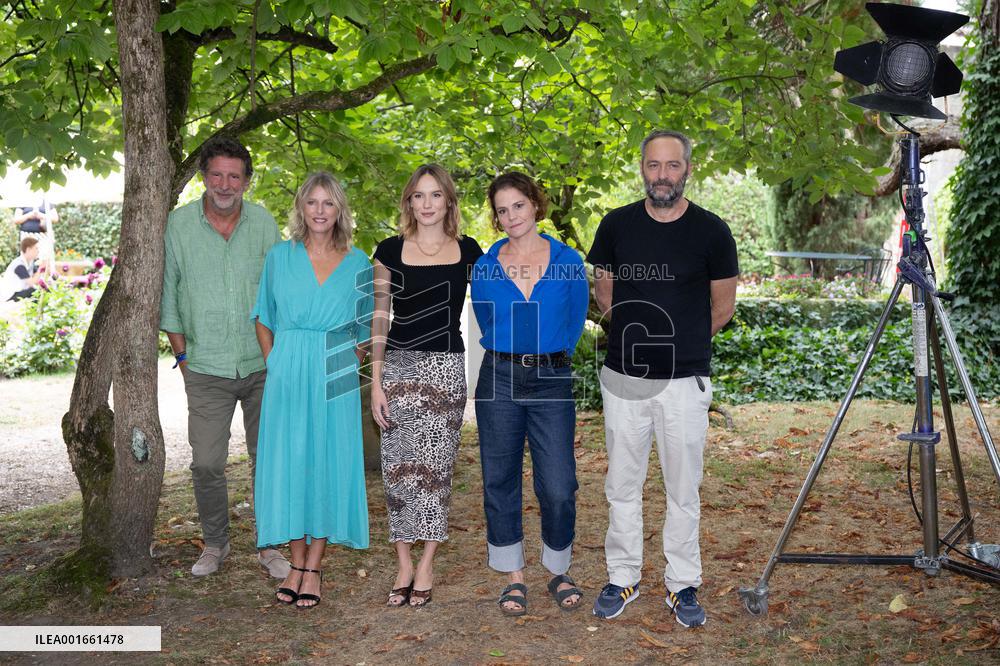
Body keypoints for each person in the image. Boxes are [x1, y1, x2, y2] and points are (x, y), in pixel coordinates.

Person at [586, 130, 738, 628]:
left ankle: (682, 585)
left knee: (682, 490)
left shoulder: (713, 232)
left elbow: (723, 308)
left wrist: (679, 345)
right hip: (624, 378)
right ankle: (623, 575)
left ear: (687, 169)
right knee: (622, 485)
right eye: (654, 165)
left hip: (684, 381)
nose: (663, 175)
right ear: (642, 168)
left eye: (672, 166)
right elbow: (605, 294)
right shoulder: (615, 225)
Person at [159, 136, 289, 579]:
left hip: (261, 364)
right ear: (203, 176)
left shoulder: (263, 223)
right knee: (207, 462)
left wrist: (280, 354)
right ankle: (215, 543)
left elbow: (281, 290)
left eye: (235, 175)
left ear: (247, 181)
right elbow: (169, 295)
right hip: (206, 367)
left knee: (267, 459)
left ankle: (270, 545)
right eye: (217, 174)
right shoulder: (178, 225)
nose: (225, 183)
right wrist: (182, 357)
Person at [252, 171, 374, 609]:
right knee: (291, 461)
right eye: (312, 202)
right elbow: (263, 316)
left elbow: (366, 325)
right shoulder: (279, 258)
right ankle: (296, 561)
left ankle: (314, 567)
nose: (320, 211)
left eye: (329, 203)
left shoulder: (358, 262)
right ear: (301, 208)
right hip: (287, 373)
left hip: (335, 375)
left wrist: (348, 360)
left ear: (339, 209)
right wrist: (276, 362)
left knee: (328, 462)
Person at [471, 172, 589, 616]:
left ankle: (558, 568)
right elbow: (488, 322)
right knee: (499, 478)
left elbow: (575, 318)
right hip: (498, 378)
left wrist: (546, 356)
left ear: (535, 205)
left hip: (551, 379)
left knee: (559, 484)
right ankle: (513, 575)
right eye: (502, 210)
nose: (510, 216)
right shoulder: (484, 267)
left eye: (517, 205)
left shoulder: (567, 261)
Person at [370, 164, 482, 608]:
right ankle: (402, 562)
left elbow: (498, 301)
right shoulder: (389, 251)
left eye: (436, 195)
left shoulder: (470, 251)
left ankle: (428, 561)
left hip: (446, 368)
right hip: (397, 367)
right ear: (409, 202)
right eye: (419, 196)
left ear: (448, 201)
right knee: (397, 469)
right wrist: (376, 381)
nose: (427, 204)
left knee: (435, 472)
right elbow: (380, 317)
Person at [12, 197, 58, 274]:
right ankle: (27, 280)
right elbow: (16, 220)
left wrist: (41, 215)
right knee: (27, 259)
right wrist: (29, 215)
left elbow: (55, 218)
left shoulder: (46, 202)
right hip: (27, 235)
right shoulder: (23, 202)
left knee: (44, 258)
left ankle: (42, 280)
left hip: (44, 236)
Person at [1, 237, 42, 302]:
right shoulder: (19, 265)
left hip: (21, 292)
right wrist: (41, 268)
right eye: (36, 248)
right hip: (10, 295)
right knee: (35, 292)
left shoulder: (30, 262)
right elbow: (32, 282)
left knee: (39, 290)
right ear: (28, 250)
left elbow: (37, 279)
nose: (38, 251)